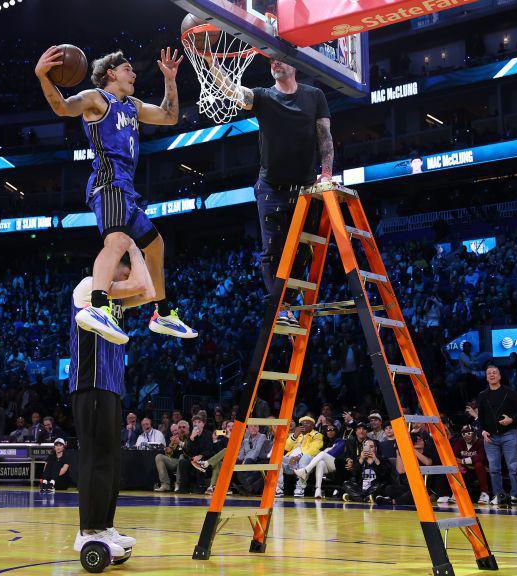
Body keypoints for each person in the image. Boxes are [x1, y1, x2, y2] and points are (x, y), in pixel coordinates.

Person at [35, 45, 197, 346]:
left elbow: (169, 116)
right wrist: (43, 76)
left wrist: (170, 79)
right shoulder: (96, 99)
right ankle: (97, 307)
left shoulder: (133, 106)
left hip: (127, 190)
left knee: (156, 245)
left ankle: (162, 313)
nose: (133, 74)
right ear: (111, 73)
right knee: (118, 241)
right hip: (108, 183)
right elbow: (62, 107)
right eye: (127, 69)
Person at [206, 56, 332, 327]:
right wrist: (211, 63)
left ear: (294, 65)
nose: (276, 64)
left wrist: (327, 174)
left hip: (305, 187)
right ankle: (281, 309)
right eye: (272, 61)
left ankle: (288, 303)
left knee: (304, 250)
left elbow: (325, 137)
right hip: (270, 187)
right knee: (272, 250)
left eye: (281, 60)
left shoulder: (314, 96)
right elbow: (232, 91)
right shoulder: (263, 96)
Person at [67, 253, 151, 557]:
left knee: (112, 463)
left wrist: (134, 254)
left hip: (112, 387)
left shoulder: (116, 299)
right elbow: (140, 284)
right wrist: (129, 244)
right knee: (96, 457)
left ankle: (104, 525)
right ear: (111, 266)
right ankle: (88, 530)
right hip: (90, 383)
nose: (129, 276)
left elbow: (149, 290)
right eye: (125, 270)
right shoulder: (89, 285)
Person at [474, 364, 517, 506]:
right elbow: (480, 418)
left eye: (494, 372)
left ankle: (515, 495)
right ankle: (498, 495)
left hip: (509, 434)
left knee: (512, 467)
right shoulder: (482, 395)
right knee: (494, 469)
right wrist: (482, 432)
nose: (492, 375)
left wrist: (511, 420)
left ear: (500, 376)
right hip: (490, 437)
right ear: (486, 377)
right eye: (489, 373)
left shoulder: (510, 392)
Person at [275, 416, 323, 498]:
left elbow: (313, 450)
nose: (304, 425)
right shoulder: (297, 435)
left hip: (306, 462)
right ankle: (278, 488)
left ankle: (300, 488)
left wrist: (298, 456)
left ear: (312, 426)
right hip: (291, 462)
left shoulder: (317, 435)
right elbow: (286, 447)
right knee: (277, 458)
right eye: (302, 424)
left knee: (305, 458)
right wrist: (294, 436)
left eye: (307, 423)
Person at [295, 423, 344, 499]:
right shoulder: (325, 443)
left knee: (322, 454)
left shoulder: (340, 441)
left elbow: (334, 453)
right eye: (328, 430)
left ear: (336, 431)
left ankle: (305, 470)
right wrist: (327, 450)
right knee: (320, 463)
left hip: (337, 464)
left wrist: (325, 452)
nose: (330, 431)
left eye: (332, 430)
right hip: (326, 466)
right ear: (326, 432)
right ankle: (318, 490)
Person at [452, 425, 490, 504]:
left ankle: (484, 493)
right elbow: (453, 456)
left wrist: (463, 461)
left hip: (479, 470)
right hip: (466, 470)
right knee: (455, 466)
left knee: (479, 465)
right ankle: (458, 493)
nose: (466, 436)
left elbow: (481, 457)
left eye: (469, 433)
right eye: (464, 434)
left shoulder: (481, 442)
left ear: (474, 433)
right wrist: (464, 464)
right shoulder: (460, 442)